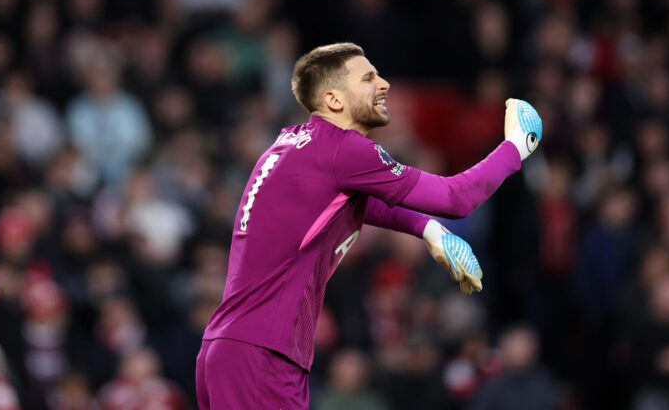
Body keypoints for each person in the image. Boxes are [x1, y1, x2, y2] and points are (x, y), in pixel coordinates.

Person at [195, 42, 542, 409]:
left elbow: (358, 204)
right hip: (263, 356)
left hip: (231, 348)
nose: (385, 84)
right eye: (368, 78)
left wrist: (427, 229)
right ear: (334, 99)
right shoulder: (343, 150)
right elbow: (455, 199)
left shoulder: (291, 144)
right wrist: (515, 148)